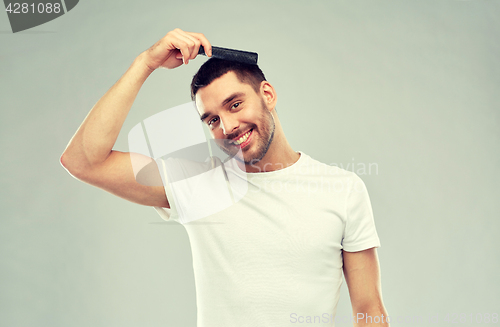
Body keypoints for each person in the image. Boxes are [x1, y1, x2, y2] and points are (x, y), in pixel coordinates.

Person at [60, 28, 390, 327]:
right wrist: (145, 63)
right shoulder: (197, 182)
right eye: (212, 120)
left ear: (268, 95)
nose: (228, 127)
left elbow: (369, 311)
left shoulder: (342, 189)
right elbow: (84, 161)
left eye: (234, 105)